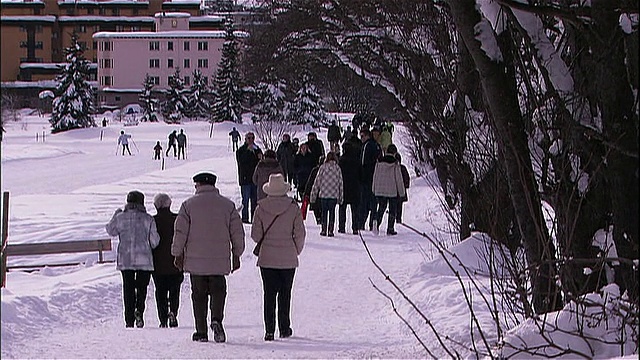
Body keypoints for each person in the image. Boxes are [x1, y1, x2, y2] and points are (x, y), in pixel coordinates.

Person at [171, 172, 245, 343]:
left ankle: (201, 331)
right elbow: (237, 232)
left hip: (196, 261)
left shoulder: (188, 205)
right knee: (218, 291)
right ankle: (216, 320)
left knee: (198, 295)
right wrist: (237, 253)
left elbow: (180, 232)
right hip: (219, 260)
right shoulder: (227, 205)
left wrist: (177, 253)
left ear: (198, 185)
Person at [251, 174, 306, 341]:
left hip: (267, 258)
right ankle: (284, 327)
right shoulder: (293, 208)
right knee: (285, 293)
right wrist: (295, 249)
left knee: (269, 294)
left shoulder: (260, 208)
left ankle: (269, 330)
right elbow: (300, 234)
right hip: (288, 257)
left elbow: (255, 235)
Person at [105, 190, 160, 328]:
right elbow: (155, 241)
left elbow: (110, 231)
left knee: (128, 288)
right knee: (142, 287)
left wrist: (116, 214)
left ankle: (129, 319)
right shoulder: (148, 219)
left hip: (126, 259)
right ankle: (139, 311)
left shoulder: (120, 218)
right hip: (144, 259)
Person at [151, 193, 183, 328]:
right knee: (175, 289)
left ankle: (163, 318)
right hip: (175, 261)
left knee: (160, 291)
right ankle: (173, 312)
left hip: (158, 263)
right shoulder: (177, 219)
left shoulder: (153, 221)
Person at [372, 144, 405, 235]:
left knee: (381, 208)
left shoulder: (379, 162)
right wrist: (401, 192)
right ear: (394, 153)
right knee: (392, 209)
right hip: (392, 190)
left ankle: (376, 223)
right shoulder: (395, 163)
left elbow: (375, 176)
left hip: (380, 189)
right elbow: (398, 179)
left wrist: (374, 189)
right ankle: (390, 228)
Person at [310, 152, 343, 237]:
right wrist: (340, 197)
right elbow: (340, 183)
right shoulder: (337, 168)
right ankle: (331, 230)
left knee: (324, 212)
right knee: (332, 212)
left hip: (324, 194)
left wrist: (313, 194)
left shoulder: (322, 168)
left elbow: (317, 181)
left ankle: (323, 229)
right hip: (333, 194)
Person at [358, 128, 382, 231]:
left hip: (367, 178)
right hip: (375, 179)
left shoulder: (367, 146)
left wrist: (361, 176)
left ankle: (361, 223)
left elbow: (362, 163)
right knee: (373, 203)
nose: (361, 138)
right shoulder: (376, 146)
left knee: (364, 203)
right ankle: (373, 224)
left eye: (362, 136)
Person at [236, 132, 263, 223]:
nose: (251, 140)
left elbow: (261, 162)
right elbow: (242, 162)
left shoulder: (257, 149)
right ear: (245, 139)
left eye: (252, 138)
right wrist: (248, 151)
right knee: (245, 200)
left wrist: (259, 156)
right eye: (249, 138)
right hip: (245, 179)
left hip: (254, 179)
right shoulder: (241, 150)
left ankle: (254, 219)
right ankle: (245, 219)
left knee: (255, 200)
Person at [338, 141, 361, 235]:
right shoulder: (356, 160)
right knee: (355, 209)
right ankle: (355, 227)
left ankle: (341, 227)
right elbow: (361, 174)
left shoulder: (341, 160)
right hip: (355, 187)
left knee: (342, 208)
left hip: (344, 187)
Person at [303, 155, 324, 225]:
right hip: (324, 191)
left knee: (315, 204)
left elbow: (310, 182)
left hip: (315, 191)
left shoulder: (315, 170)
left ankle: (318, 217)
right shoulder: (326, 170)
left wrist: (306, 192)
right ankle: (321, 218)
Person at [395, 153, 410, 224]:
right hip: (402, 190)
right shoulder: (403, 168)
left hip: (394, 190)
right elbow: (407, 178)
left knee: (394, 203)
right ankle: (398, 218)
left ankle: (395, 216)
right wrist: (406, 186)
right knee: (399, 205)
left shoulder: (394, 168)